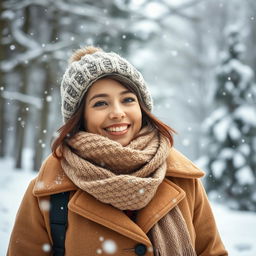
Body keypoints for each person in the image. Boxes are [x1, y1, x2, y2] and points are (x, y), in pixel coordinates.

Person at [7, 46, 228, 256]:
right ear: (80, 117)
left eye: (128, 100)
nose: (118, 112)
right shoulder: (49, 192)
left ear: (141, 107)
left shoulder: (183, 180)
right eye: (101, 103)